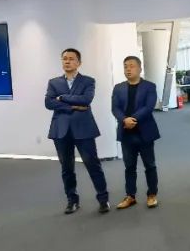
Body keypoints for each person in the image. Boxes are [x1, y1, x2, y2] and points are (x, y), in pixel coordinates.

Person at [45, 48, 109, 214]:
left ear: (79, 62)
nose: (67, 61)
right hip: (61, 130)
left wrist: (62, 98)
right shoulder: (54, 82)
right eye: (64, 58)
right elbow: (48, 103)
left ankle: (103, 199)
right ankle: (72, 201)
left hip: (84, 128)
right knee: (67, 168)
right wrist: (73, 106)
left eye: (71, 59)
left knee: (93, 165)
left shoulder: (88, 81)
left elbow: (86, 100)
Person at [111, 56, 160, 209]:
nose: (128, 69)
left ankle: (152, 194)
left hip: (144, 132)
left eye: (132, 66)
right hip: (126, 133)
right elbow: (115, 108)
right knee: (129, 167)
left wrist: (132, 119)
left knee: (150, 165)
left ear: (140, 68)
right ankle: (130, 196)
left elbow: (149, 107)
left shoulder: (149, 86)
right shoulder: (118, 88)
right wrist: (124, 120)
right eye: (125, 66)